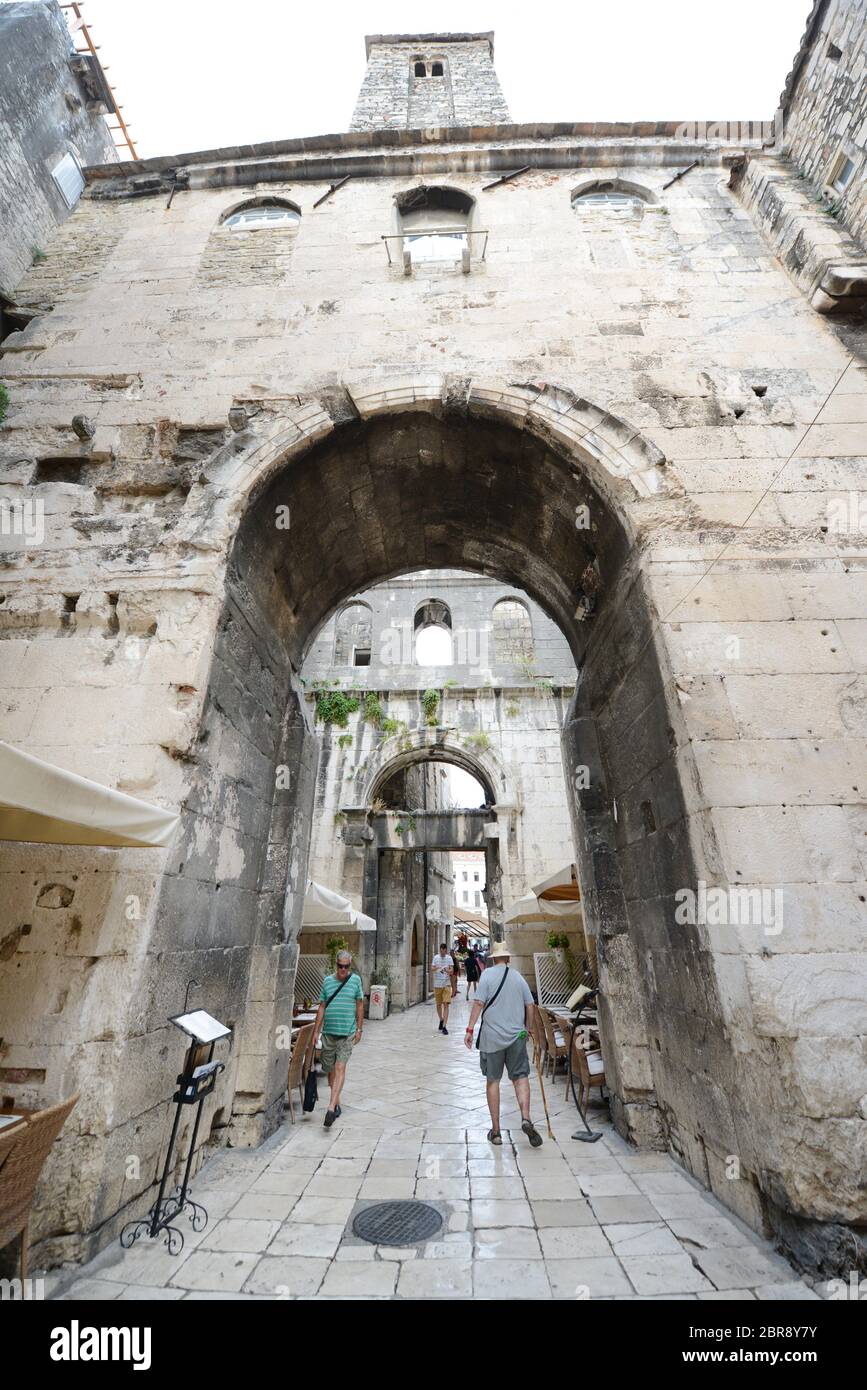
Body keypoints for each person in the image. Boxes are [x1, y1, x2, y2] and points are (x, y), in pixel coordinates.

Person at [464, 941, 543, 1148]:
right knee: (520, 1078)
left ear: (492, 958)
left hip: (492, 1038)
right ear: (508, 958)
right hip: (516, 1037)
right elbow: (530, 1005)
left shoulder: (487, 976)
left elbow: (479, 1003)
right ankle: (525, 1118)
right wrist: (528, 1028)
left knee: (493, 1081)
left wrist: (470, 1029)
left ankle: (496, 1131)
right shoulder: (518, 977)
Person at [313, 950, 363, 1127]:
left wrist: (359, 1029)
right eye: (340, 966)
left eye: (346, 966)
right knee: (330, 1069)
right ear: (336, 965)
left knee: (340, 1066)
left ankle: (331, 1108)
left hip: (347, 1032)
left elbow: (359, 1005)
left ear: (350, 966)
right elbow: (322, 1006)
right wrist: (316, 1031)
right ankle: (337, 1102)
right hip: (328, 1033)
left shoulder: (355, 980)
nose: (343, 969)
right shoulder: (327, 981)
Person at [431, 941, 454, 1034]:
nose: (442, 953)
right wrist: (437, 968)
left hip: (446, 984)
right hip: (437, 984)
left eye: (444, 951)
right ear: (440, 950)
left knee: (446, 1004)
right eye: (441, 951)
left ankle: (444, 1026)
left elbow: (451, 971)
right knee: (438, 1004)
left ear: (446, 950)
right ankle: (441, 1019)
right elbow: (432, 968)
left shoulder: (449, 958)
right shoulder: (436, 958)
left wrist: (447, 970)